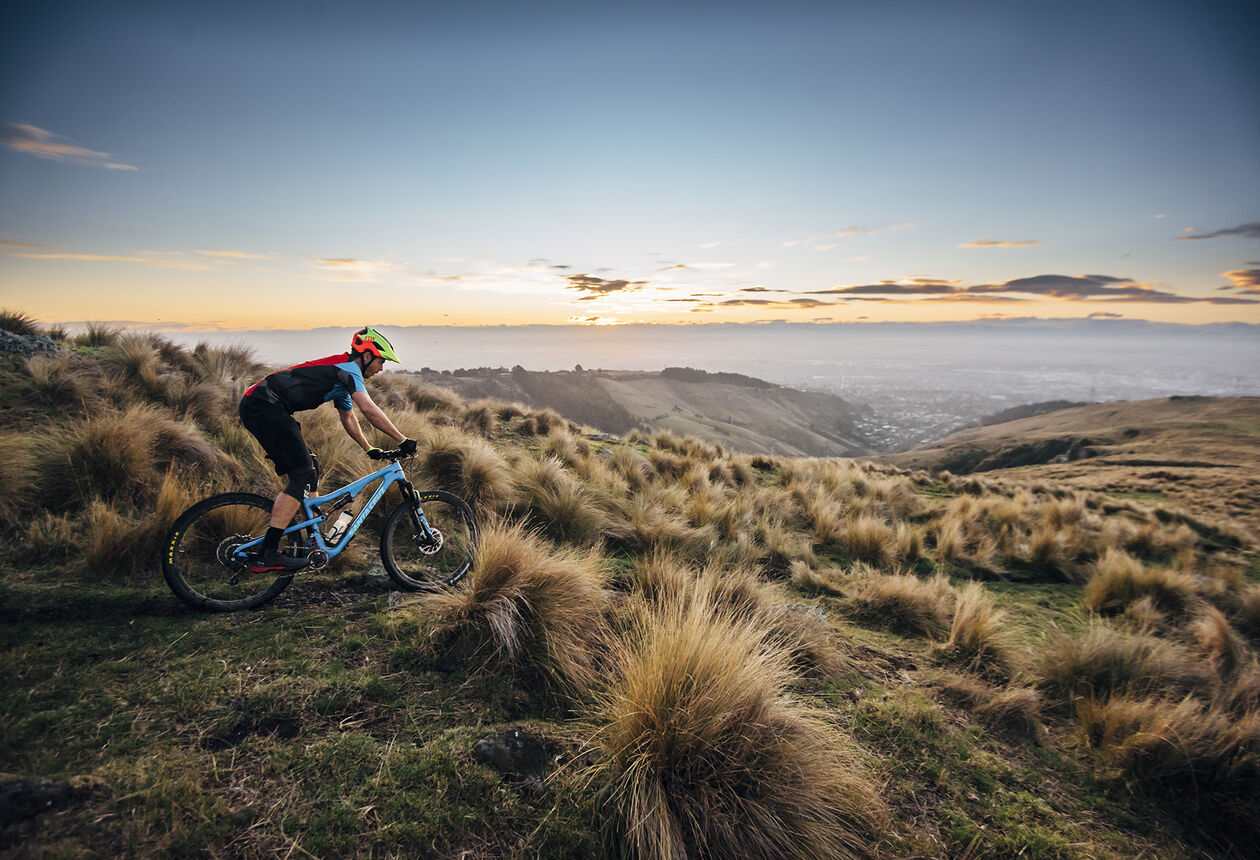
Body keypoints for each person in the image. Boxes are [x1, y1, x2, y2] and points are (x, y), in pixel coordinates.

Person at [238, 326, 416, 572]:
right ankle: (267, 553)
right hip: (263, 406)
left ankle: (314, 538)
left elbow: (349, 417)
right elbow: (368, 408)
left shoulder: (341, 379)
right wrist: (401, 439)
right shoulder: (348, 370)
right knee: (301, 473)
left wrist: (369, 448)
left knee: (310, 467)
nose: (381, 368)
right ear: (366, 356)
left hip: (263, 406)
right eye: (381, 361)